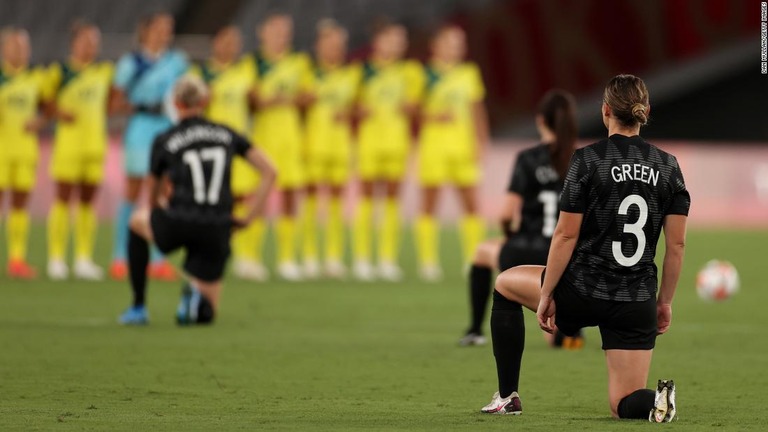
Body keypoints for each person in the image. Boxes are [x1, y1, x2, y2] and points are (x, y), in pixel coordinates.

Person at [481, 74, 690, 423]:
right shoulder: (668, 166)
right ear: (645, 111)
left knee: (504, 285)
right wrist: (663, 302)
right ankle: (657, 397)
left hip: (581, 291)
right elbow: (677, 246)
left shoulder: (588, 160)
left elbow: (564, 235)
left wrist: (548, 293)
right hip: (635, 299)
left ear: (605, 110)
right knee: (623, 403)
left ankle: (507, 397)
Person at [118, 75, 276, 325]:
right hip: (217, 227)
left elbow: (153, 190)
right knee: (206, 314)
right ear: (204, 101)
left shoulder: (165, 139)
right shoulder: (227, 133)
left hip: (179, 222)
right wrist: (248, 217)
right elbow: (270, 171)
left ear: (176, 103)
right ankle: (194, 296)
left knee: (137, 222)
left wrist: (159, 213)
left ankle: (138, 306)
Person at [459, 89, 579, 347]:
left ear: (540, 121)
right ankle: (567, 330)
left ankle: (474, 330)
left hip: (527, 249)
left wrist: (510, 233)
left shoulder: (528, 159)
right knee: (557, 297)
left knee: (481, 252)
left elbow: (506, 213)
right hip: (566, 253)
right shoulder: (581, 160)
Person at [110, 13, 188, 281]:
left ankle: (158, 258)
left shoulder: (177, 62)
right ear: (146, 30)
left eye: (169, 29)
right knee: (134, 190)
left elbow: (188, 93)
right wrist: (142, 106)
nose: (164, 33)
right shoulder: (132, 63)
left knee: (165, 192)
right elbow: (115, 102)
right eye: (159, 28)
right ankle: (121, 256)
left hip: (167, 131)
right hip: (141, 129)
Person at [190, 26, 264, 281]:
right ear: (215, 43)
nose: (232, 46)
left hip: (238, 146)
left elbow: (256, 104)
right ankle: (209, 252)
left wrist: (258, 99)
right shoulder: (201, 74)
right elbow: (191, 107)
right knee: (213, 203)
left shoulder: (246, 70)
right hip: (210, 148)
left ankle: (247, 256)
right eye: (227, 40)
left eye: (236, 41)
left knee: (244, 200)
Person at [414, 25, 488, 281]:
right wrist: (433, 115)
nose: (457, 48)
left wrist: (482, 141)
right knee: (429, 203)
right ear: (436, 45)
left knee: (470, 204)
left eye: (460, 43)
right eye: (451, 43)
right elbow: (411, 110)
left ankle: (474, 259)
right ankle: (428, 262)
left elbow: (477, 109)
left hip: (463, 147)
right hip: (434, 146)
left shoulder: (469, 72)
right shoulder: (423, 74)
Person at [45, 21, 115, 280]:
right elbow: (45, 103)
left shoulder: (104, 71)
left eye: (94, 41)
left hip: (94, 144)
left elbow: (112, 99)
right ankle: (56, 257)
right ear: (74, 43)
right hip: (68, 144)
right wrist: (57, 112)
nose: (90, 46)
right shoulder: (60, 71)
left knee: (88, 201)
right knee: (63, 199)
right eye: (85, 41)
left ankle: (83, 257)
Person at [353, 22, 421, 281]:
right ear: (378, 42)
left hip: (397, 142)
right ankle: (362, 259)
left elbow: (417, 105)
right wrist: (358, 111)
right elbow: (352, 105)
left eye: (401, 40)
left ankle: (387, 259)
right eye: (393, 39)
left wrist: (411, 108)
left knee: (393, 199)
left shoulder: (409, 71)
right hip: (369, 142)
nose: (398, 44)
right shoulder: (363, 71)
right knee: (367, 198)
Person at [247, 13, 313, 281]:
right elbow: (253, 100)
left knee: (290, 197)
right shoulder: (253, 64)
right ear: (263, 33)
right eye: (275, 31)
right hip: (262, 138)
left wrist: (278, 99)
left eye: (285, 32)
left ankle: (287, 258)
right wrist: (282, 99)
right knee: (257, 197)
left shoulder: (299, 62)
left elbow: (308, 96)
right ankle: (250, 256)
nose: (281, 37)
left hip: (290, 138)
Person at [302, 19, 360, 279]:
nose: (334, 49)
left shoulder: (351, 75)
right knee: (313, 201)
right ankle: (310, 255)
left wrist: (349, 113)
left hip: (340, 146)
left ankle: (334, 257)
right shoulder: (307, 73)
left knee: (337, 202)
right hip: (314, 144)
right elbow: (296, 106)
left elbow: (359, 107)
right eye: (329, 44)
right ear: (318, 46)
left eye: (338, 44)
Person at [0, 27, 47, 279]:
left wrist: (40, 121)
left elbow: (47, 108)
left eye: (23, 46)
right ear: (4, 49)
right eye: (14, 46)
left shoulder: (36, 78)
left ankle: (16, 259)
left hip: (25, 151)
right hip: (1, 151)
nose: (19, 51)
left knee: (19, 206)